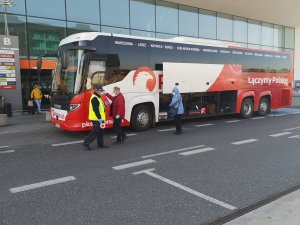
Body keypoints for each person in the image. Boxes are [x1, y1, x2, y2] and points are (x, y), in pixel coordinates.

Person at [83, 86, 108, 150]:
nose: (101, 93)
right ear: (97, 91)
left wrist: (105, 103)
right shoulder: (95, 98)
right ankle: (86, 142)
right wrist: (99, 118)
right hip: (96, 118)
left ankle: (100, 144)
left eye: (102, 91)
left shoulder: (98, 97)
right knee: (95, 131)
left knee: (101, 131)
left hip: (101, 118)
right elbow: (95, 109)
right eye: (101, 91)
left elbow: (101, 106)